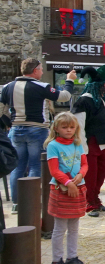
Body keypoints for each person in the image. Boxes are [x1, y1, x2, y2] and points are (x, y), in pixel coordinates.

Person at [0, 58, 75, 213]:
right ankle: (32, 200)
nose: (41, 72)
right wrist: (69, 80)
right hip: (36, 128)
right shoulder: (40, 86)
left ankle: (17, 203)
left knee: (18, 167)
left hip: (15, 129)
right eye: (40, 69)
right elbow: (65, 96)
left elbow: (2, 107)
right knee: (35, 165)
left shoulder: (8, 87)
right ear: (34, 70)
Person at [45, 112, 91, 264]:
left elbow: (85, 164)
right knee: (60, 228)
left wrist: (80, 175)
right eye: (65, 127)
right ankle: (56, 260)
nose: (69, 130)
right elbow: (54, 169)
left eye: (72, 127)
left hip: (78, 186)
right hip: (62, 188)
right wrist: (68, 182)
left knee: (74, 226)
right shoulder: (53, 145)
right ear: (57, 128)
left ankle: (72, 257)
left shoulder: (78, 143)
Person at [71, 65, 105, 217]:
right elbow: (78, 127)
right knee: (90, 176)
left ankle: (95, 199)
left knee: (100, 175)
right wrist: (82, 150)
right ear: (97, 86)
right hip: (90, 145)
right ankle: (89, 202)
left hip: (104, 143)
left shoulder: (104, 101)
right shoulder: (84, 102)